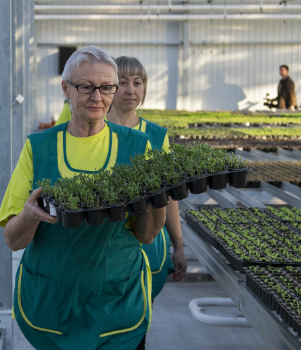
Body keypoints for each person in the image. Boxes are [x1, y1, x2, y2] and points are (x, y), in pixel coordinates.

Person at [0, 46, 166, 350]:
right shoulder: (39, 147)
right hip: (53, 303)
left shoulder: (139, 147)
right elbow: (13, 240)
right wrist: (30, 214)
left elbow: (148, 234)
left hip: (115, 302)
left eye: (106, 87)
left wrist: (158, 198)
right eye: (86, 86)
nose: (97, 97)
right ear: (66, 89)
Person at [107, 56, 188, 350]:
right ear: (109, 88)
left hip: (148, 246)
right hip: (105, 244)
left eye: (137, 83)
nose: (131, 90)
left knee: (136, 324)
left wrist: (178, 246)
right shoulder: (94, 130)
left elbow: (169, 198)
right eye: (123, 83)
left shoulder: (156, 136)